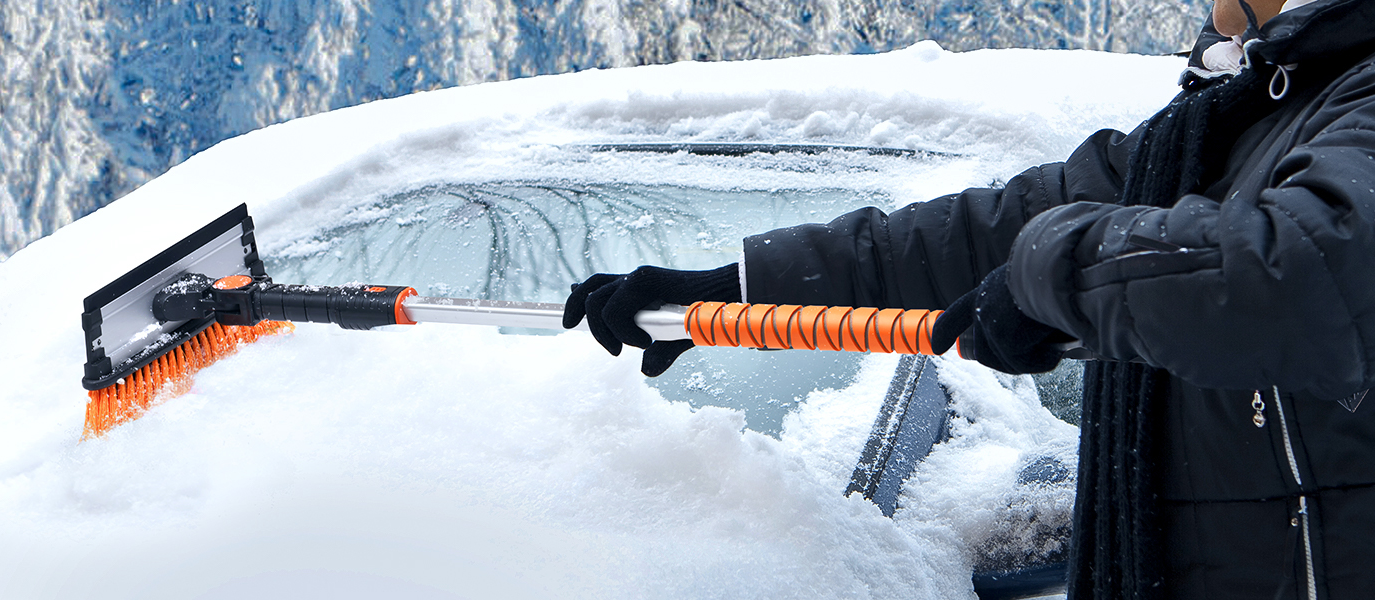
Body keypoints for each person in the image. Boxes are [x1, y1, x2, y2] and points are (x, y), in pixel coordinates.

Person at [563, 0, 1375, 597]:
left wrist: (1047, 283)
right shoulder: (1231, 121)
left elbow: (1298, 269)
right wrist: (739, 286)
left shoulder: (1352, 99)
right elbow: (995, 229)